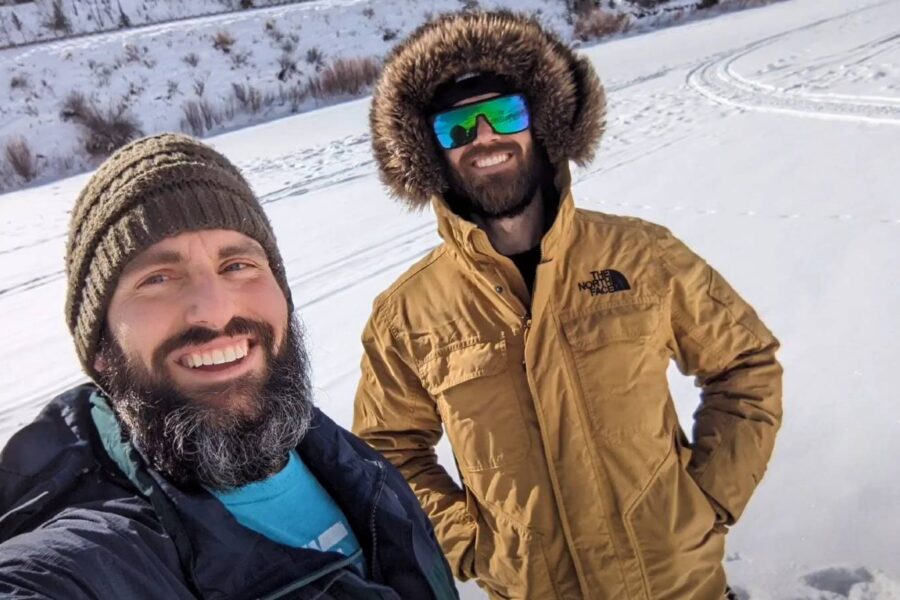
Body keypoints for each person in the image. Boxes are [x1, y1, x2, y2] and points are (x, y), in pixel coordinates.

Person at [353, 10, 783, 599]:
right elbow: (385, 453)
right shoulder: (407, 314)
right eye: (456, 127)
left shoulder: (642, 255)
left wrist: (707, 500)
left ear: (542, 124)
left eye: (505, 113)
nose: (484, 136)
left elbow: (745, 365)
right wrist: (472, 543)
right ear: (432, 151)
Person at [0, 134, 457, 599]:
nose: (215, 312)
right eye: (158, 278)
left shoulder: (348, 461)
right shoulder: (97, 554)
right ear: (101, 348)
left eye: (238, 265)